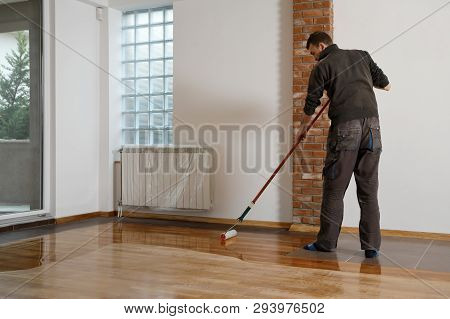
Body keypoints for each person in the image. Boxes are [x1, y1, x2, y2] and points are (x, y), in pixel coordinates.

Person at [302, 31, 391, 258]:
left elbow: (310, 105)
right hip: (373, 128)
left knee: (334, 190)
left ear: (321, 46)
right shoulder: (361, 55)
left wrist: (303, 130)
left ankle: (326, 243)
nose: (314, 59)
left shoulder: (322, 66)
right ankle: (372, 247)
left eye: (314, 53)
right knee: (369, 191)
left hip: (346, 130)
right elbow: (386, 85)